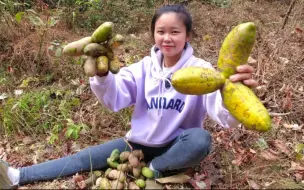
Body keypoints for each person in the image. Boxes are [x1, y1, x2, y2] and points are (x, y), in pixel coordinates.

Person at [0, 4, 258, 189]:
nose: (167, 38)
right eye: (160, 31)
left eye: (175, 32)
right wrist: (101, 75)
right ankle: (17, 175)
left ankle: (157, 170)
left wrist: (238, 91)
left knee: (201, 138)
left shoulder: (204, 71)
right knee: (84, 158)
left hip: (178, 145)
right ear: (153, 34)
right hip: (137, 144)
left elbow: (224, 117)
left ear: (188, 35)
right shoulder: (144, 67)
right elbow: (114, 98)